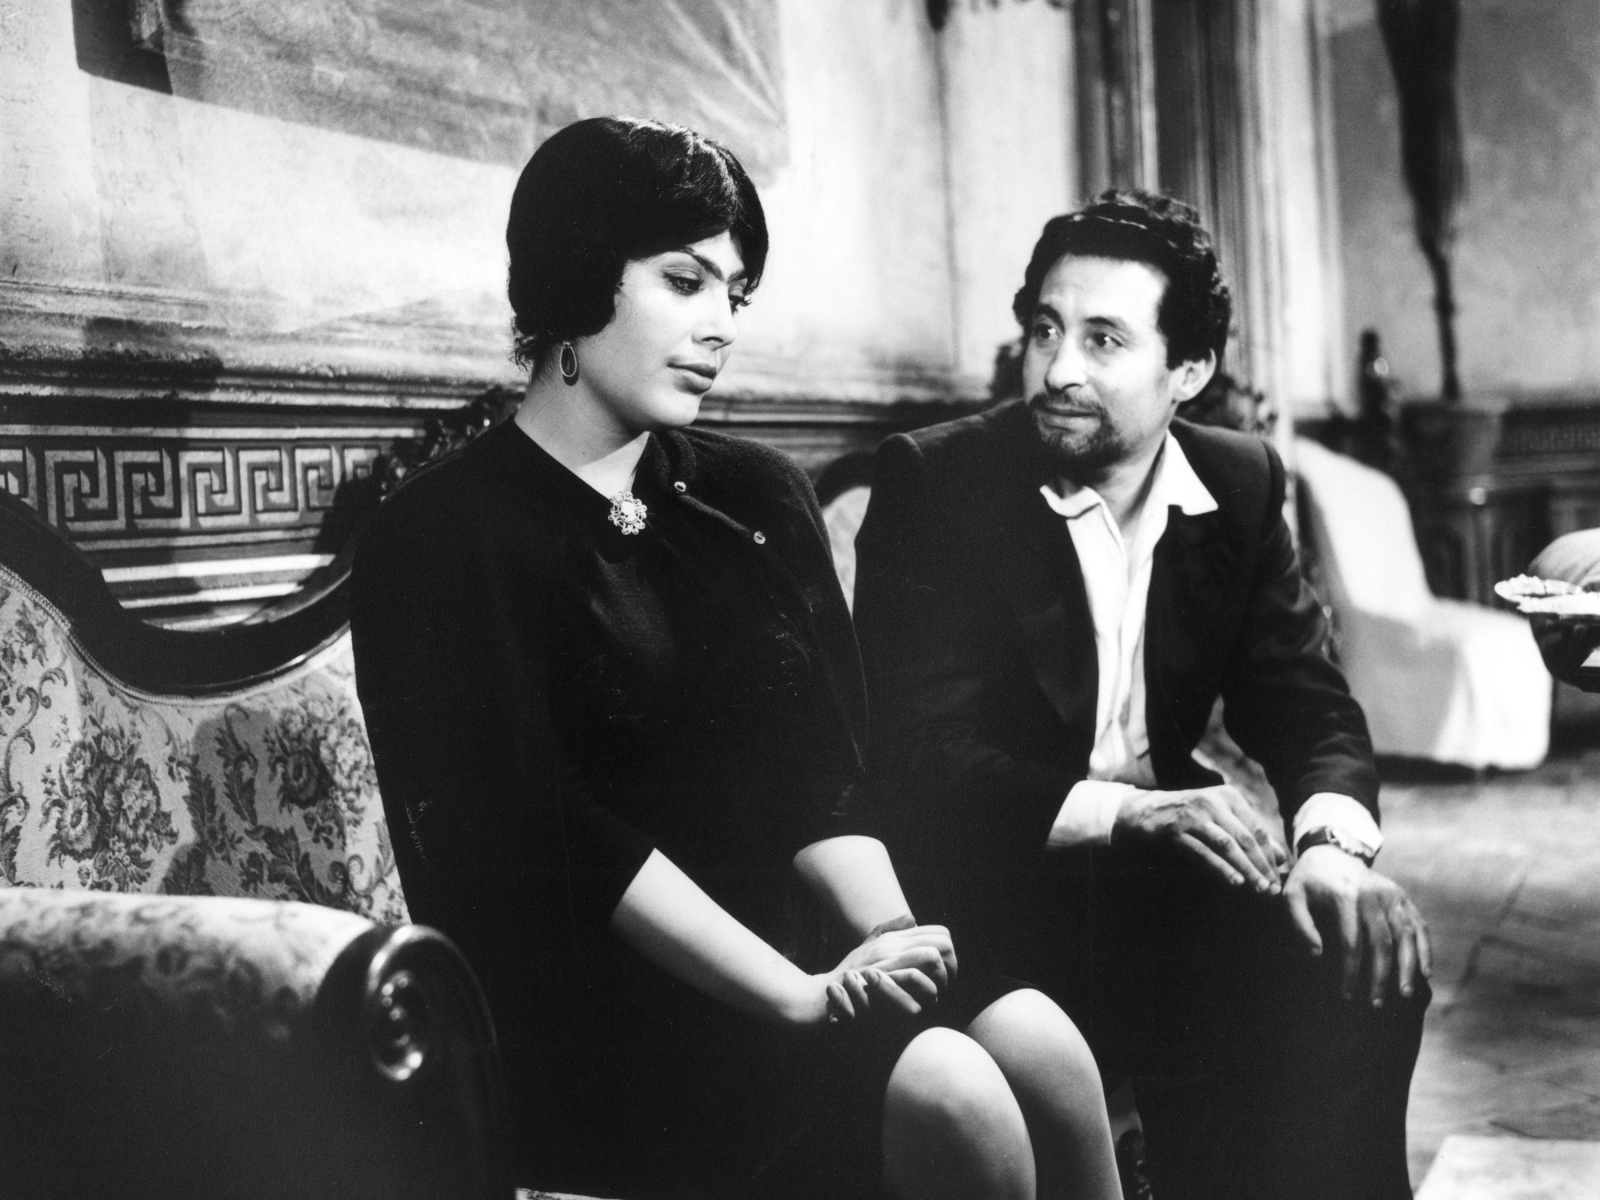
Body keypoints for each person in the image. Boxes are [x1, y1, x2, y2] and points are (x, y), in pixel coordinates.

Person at [351, 117, 1121, 1200]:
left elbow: (821, 770)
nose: (719, 326)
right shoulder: (436, 537)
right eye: (684, 281)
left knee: (1039, 1041)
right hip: (593, 1014)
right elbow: (552, 837)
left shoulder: (754, 493)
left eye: (735, 293)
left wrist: (892, 936)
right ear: (575, 273)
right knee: (950, 1087)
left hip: (791, 944)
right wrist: (797, 995)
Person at [853, 190, 1433, 1200]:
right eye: (1045, 330)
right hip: (986, 885)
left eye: (1104, 339)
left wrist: (1329, 851)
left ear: (1188, 371)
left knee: (1365, 961)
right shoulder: (936, 483)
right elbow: (918, 761)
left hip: (1160, 881)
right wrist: (1132, 813)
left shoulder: (1241, 482)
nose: (1058, 369)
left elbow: (1305, 701)